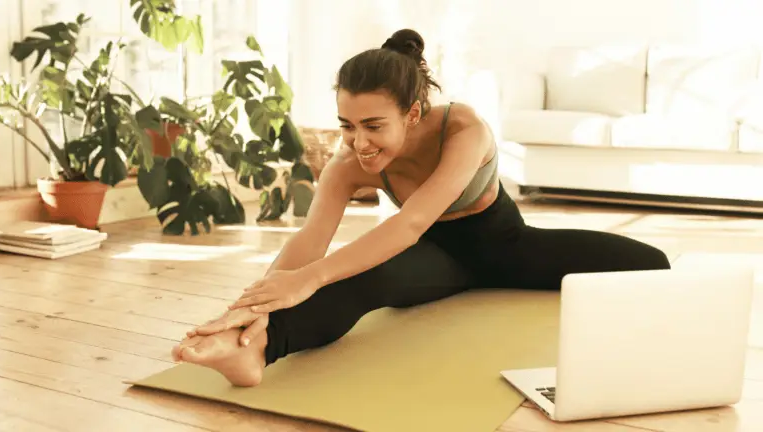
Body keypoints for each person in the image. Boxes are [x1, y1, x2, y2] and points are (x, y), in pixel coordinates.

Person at [170, 29, 671, 387]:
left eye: (373, 125)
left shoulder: (464, 130)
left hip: (507, 247)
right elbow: (308, 242)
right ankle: (254, 351)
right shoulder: (348, 164)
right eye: (347, 124)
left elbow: (409, 222)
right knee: (358, 279)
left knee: (650, 263)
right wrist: (249, 311)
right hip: (438, 258)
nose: (358, 142)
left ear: (412, 113)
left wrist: (309, 278)